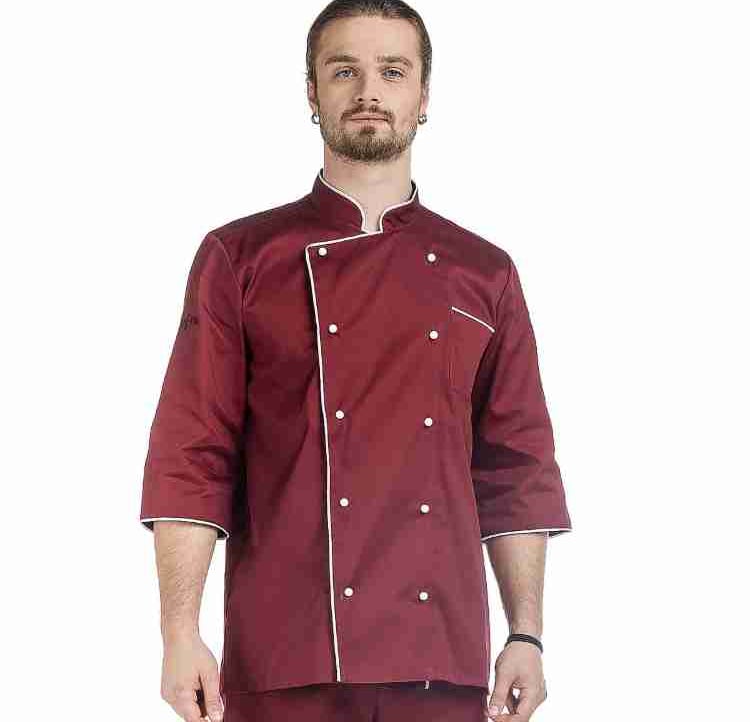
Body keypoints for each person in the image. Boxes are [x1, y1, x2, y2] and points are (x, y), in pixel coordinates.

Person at [139, 1, 572, 720]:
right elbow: (192, 453)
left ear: (423, 96)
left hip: (441, 659)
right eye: (345, 71)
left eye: (393, 71)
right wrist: (178, 633)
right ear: (312, 93)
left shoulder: (484, 272)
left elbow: (517, 465)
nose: (370, 91)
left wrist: (526, 633)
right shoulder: (240, 259)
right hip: (286, 654)